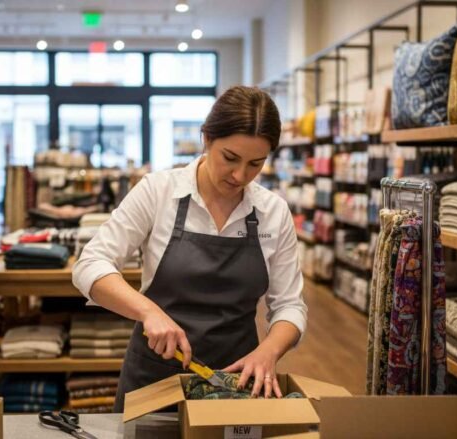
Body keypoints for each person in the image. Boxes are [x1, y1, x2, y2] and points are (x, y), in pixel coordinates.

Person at [73, 85, 307, 412]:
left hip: (234, 383)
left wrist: (269, 351)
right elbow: (90, 264)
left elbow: (290, 307)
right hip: (154, 379)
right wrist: (148, 311)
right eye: (230, 158)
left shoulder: (273, 212)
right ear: (207, 139)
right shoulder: (158, 192)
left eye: (256, 164)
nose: (241, 175)